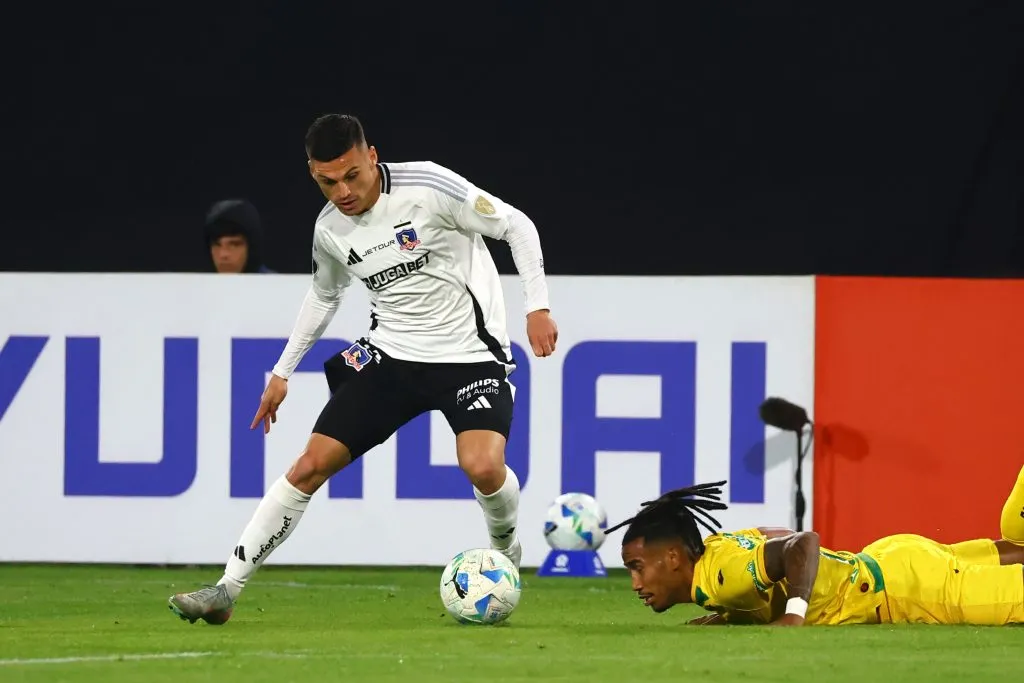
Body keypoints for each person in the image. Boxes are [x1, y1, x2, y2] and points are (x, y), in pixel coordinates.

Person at [168, 113, 557, 625]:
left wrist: (537, 306)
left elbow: (516, 225)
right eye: (327, 182)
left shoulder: (429, 186)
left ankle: (505, 553)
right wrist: (282, 372)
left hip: (469, 356)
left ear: (372, 156)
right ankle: (225, 589)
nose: (343, 192)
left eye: (352, 175)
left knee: (483, 467)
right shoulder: (329, 229)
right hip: (391, 357)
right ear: (313, 174)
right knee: (309, 465)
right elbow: (324, 295)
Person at [612, 467, 1024, 626]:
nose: (635, 583)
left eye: (637, 566)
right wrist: (728, 616)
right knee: (1017, 543)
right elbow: (774, 535)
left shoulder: (721, 577)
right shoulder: (717, 550)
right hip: (889, 562)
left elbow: (802, 543)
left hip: (907, 590)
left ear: (672, 558)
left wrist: (795, 614)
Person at [204, 198, 276, 273]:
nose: (223, 254)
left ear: (252, 248)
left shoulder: (275, 281)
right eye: (216, 244)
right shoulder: (201, 280)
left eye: (234, 245)